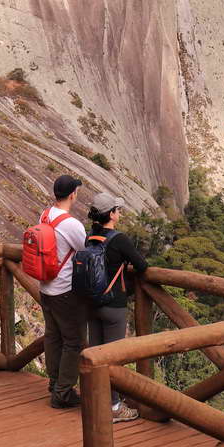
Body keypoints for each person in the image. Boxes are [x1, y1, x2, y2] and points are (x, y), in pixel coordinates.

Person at [86, 191, 148, 423]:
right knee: (112, 359)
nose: (120, 213)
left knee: (95, 354)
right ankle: (113, 408)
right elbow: (142, 265)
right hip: (113, 306)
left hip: (92, 303)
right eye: (118, 210)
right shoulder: (119, 239)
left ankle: (95, 401)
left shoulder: (89, 237)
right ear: (111, 214)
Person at [39, 174, 88, 409]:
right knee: (74, 342)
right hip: (64, 291)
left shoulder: (45, 215)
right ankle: (63, 392)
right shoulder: (71, 224)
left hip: (45, 288)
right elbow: (84, 249)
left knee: (53, 337)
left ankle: (54, 382)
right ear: (72, 194)